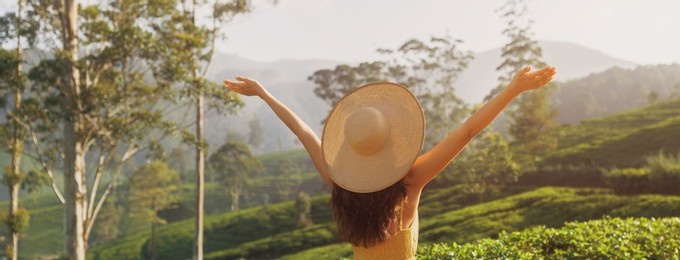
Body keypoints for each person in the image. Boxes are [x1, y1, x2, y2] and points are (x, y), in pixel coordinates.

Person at [224, 65, 556, 259]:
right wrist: (512, 90)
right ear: (392, 142)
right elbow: (467, 131)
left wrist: (265, 94)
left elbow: (303, 131)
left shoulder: (339, 182)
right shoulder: (410, 182)